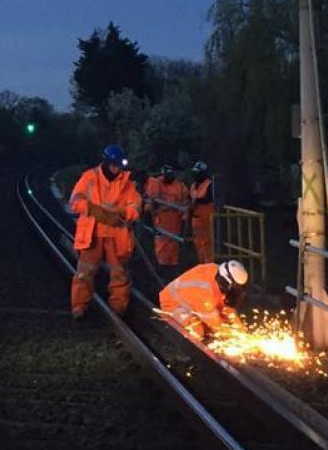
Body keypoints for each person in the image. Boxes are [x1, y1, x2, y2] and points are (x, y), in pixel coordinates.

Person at [68, 145, 141, 317]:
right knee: (85, 271)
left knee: (120, 274)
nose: (116, 170)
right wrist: (92, 210)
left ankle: (118, 307)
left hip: (116, 235)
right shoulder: (89, 177)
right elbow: (75, 199)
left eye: (119, 166)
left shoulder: (127, 183)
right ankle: (79, 306)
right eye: (114, 165)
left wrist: (123, 214)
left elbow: (135, 207)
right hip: (93, 233)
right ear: (106, 162)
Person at [157, 259, 250, 342]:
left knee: (219, 319)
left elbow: (227, 310)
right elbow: (216, 326)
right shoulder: (204, 291)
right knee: (197, 332)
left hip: (193, 301)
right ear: (225, 282)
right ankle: (181, 353)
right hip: (173, 304)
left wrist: (241, 330)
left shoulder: (217, 271)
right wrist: (235, 338)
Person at [150, 166, 192, 268]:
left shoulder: (180, 187)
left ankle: (173, 267)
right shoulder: (156, 184)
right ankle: (162, 267)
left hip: (175, 221)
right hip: (162, 221)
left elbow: (186, 202)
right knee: (162, 245)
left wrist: (184, 217)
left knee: (174, 245)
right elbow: (152, 201)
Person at [188, 161, 215, 264]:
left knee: (207, 245)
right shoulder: (193, 186)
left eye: (198, 173)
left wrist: (196, 201)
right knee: (198, 244)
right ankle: (201, 264)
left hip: (206, 219)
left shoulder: (209, 185)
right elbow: (189, 199)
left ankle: (208, 266)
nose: (196, 175)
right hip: (196, 219)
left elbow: (207, 199)